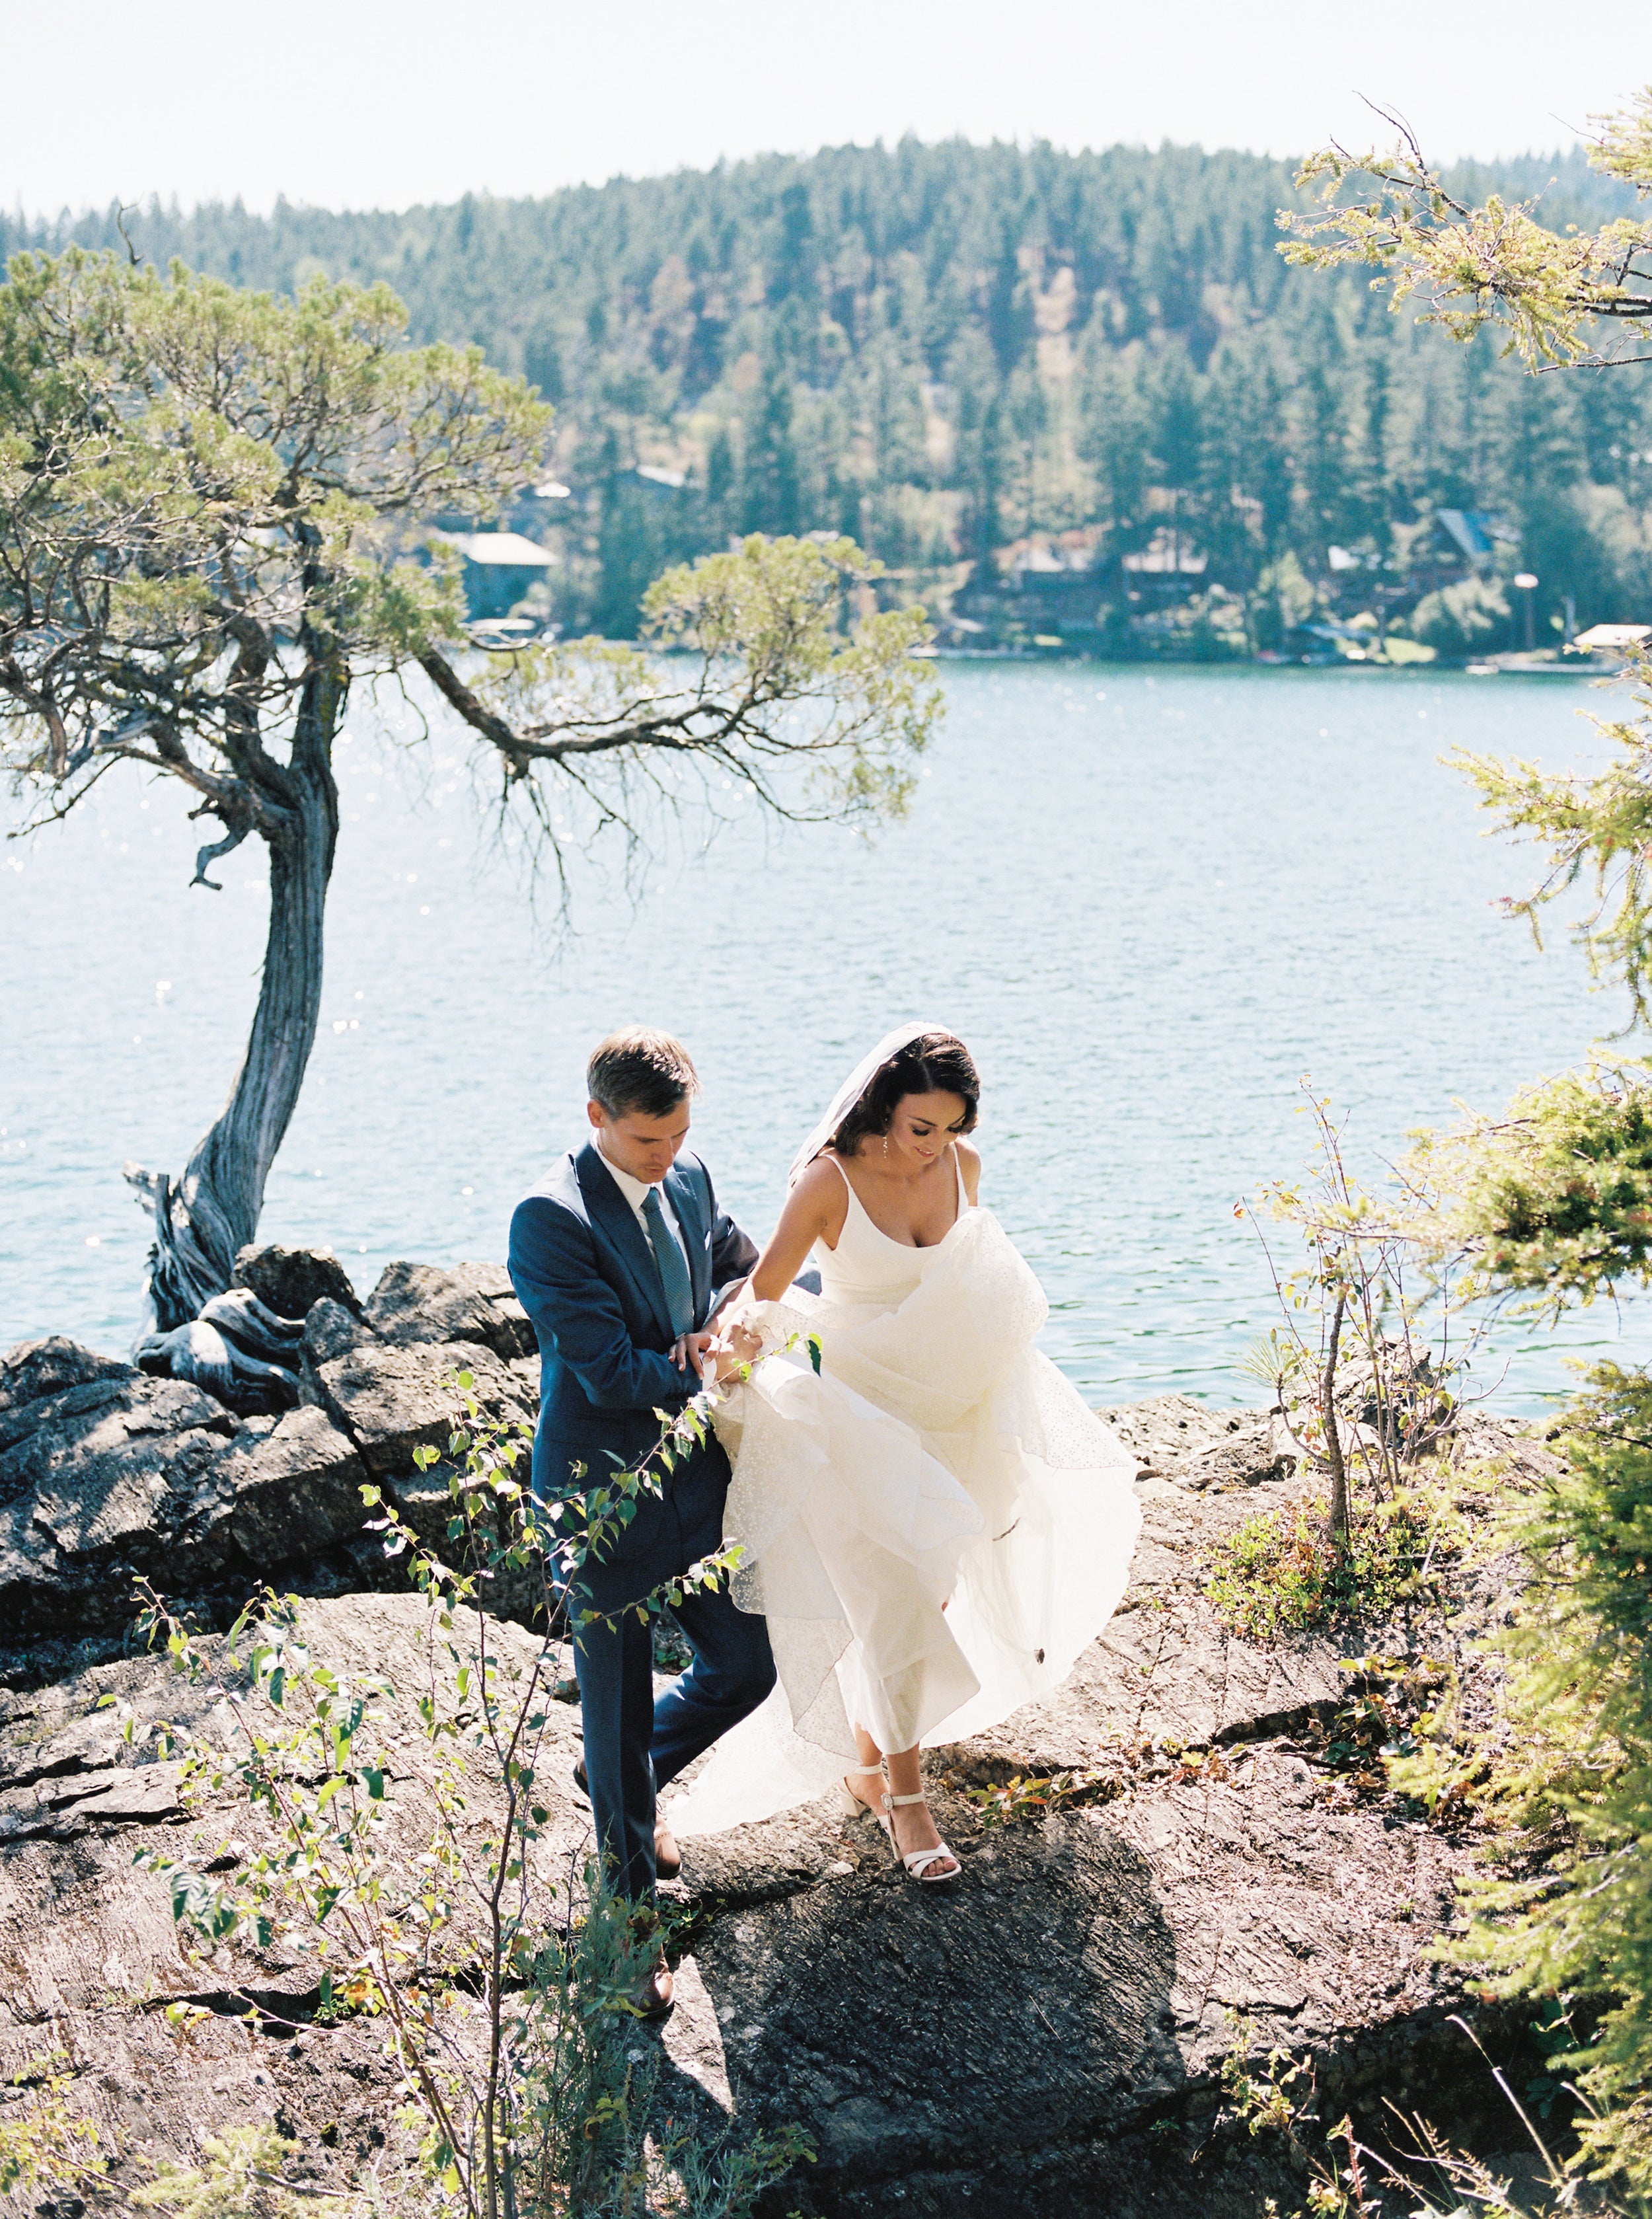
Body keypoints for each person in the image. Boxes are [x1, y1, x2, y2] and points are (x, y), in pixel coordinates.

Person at [667, 1025, 1143, 1887]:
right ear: (885, 1103)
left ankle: (863, 1758)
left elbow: (973, 1284)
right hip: (859, 1412)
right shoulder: (830, 1179)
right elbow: (766, 1287)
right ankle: (907, 1799)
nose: (939, 1146)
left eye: (954, 1127)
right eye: (924, 1126)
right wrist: (728, 1344)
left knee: (936, 1587)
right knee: (896, 1599)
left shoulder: (964, 1169)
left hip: (952, 1409)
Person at [507, 1028, 775, 2015]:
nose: (669, 1158)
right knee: (614, 1708)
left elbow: (739, 1261)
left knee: (750, 1660)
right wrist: (699, 1357)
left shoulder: (691, 1169)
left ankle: (628, 1776)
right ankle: (628, 1936)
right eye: (649, 1143)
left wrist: (741, 1315)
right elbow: (611, 1370)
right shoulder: (548, 1217)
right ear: (597, 1119)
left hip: (694, 1473)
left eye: (679, 1137)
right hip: (599, 1490)